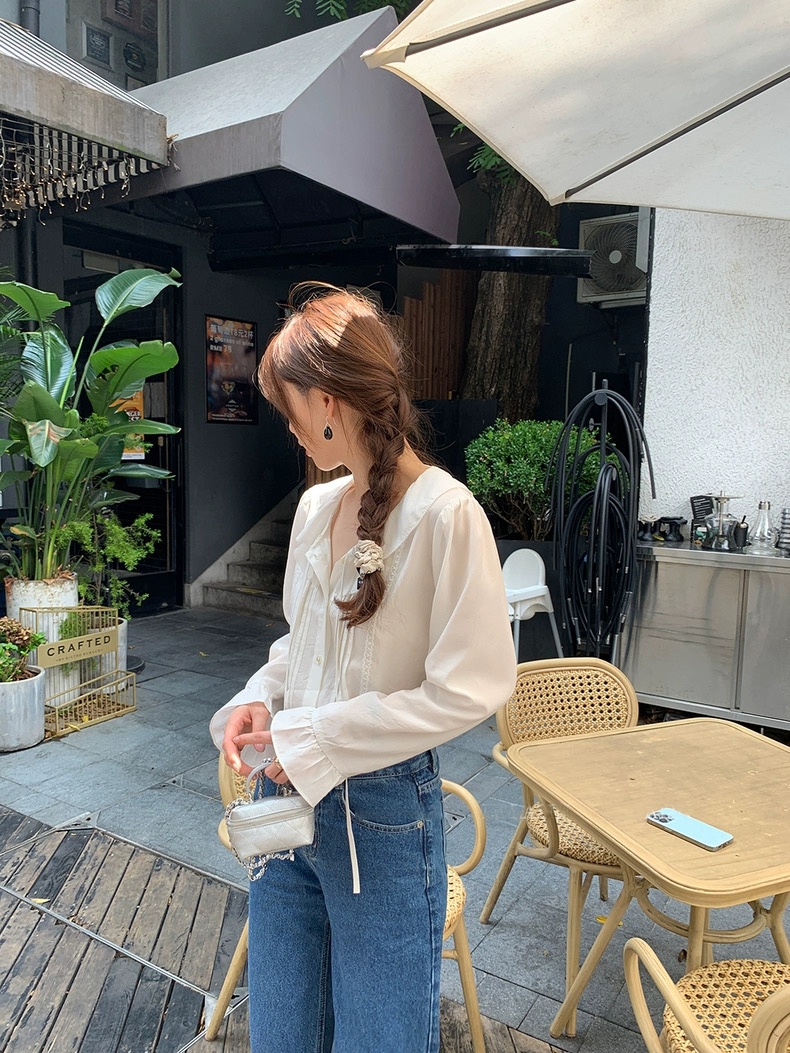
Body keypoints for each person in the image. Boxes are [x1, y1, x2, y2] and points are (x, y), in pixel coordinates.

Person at [210, 283, 517, 1053]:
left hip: (379, 818)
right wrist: (260, 696)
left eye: (289, 411)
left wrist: (314, 737)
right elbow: (301, 644)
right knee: (280, 1035)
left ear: (327, 402)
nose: (289, 429)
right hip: (283, 801)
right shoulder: (318, 508)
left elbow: (470, 688)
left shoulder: (446, 515)